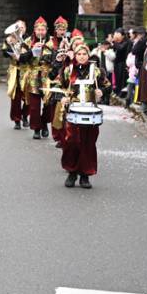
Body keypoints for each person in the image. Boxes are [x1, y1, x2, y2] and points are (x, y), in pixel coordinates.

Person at [56, 43, 109, 189]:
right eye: (79, 54)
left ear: (88, 55)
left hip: (90, 110)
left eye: (84, 54)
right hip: (73, 110)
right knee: (72, 141)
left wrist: (102, 92)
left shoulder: (97, 71)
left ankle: (85, 175)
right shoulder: (68, 70)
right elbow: (58, 86)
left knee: (88, 142)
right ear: (75, 56)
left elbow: (107, 85)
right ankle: (72, 172)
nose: (81, 56)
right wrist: (62, 97)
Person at [24, 17, 56, 140]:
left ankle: (44, 123)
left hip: (47, 76)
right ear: (34, 30)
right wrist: (32, 51)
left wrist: (46, 49)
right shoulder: (28, 41)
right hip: (33, 75)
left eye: (43, 30)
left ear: (46, 30)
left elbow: (56, 58)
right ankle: (36, 128)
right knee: (34, 105)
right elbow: (21, 58)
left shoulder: (52, 42)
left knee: (48, 104)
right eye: (38, 30)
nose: (40, 32)